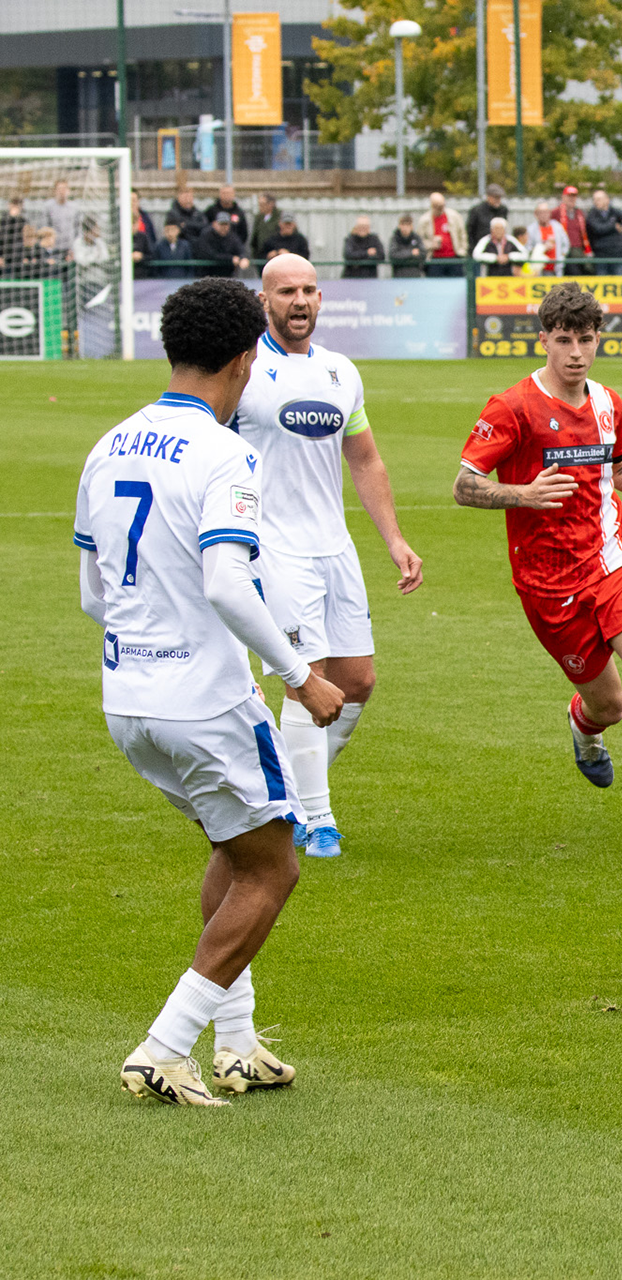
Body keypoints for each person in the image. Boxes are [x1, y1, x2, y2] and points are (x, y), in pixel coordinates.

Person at [75, 276, 345, 1105]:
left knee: (235, 850)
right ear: (244, 360)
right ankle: (163, 1047)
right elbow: (228, 583)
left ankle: (238, 1044)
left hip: (129, 698)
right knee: (273, 869)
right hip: (206, 699)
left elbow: (92, 594)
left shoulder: (109, 444)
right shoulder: (226, 453)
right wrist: (303, 678)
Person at [453, 283, 622, 853]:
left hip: (614, 562)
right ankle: (585, 727)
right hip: (548, 583)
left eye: (585, 339)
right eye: (564, 340)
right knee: (610, 706)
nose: (576, 352)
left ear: (598, 339)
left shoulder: (608, 403)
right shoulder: (512, 407)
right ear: (544, 340)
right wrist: (523, 495)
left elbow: (618, 465)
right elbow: (464, 485)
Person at [234, 254, 423, 858]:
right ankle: (315, 819)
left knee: (358, 681)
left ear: (321, 298)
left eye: (309, 290)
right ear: (264, 300)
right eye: (287, 291)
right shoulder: (242, 369)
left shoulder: (341, 371)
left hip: (334, 546)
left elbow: (365, 460)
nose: (300, 300)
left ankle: (291, 784)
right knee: (306, 679)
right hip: (273, 546)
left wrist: (394, 540)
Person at [584, 188, 622, 275]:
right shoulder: (592, 215)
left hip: (617, 255)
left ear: (607, 200)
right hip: (601, 256)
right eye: (594, 199)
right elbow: (599, 229)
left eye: (598, 199)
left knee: (619, 281)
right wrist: (614, 225)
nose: (596, 202)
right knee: (602, 281)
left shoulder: (614, 211)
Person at [420, 190, 467, 278]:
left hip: (454, 259)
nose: (440, 208)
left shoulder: (454, 216)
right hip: (435, 260)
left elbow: (462, 234)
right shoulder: (424, 220)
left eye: (441, 205)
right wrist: (431, 244)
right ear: (432, 205)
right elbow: (420, 240)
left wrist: (462, 251)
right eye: (437, 206)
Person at [194, 211, 250, 278]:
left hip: (227, 276)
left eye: (226, 224)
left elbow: (241, 249)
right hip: (207, 275)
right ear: (214, 224)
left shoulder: (232, 237)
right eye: (221, 224)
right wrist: (231, 258)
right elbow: (210, 254)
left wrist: (243, 258)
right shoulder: (206, 235)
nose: (224, 227)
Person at [522, 201, 569, 276]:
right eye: (541, 212)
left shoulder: (557, 227)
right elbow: (527, 248)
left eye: (546, 212)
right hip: (539, 270)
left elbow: (566, 244)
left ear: (550, 213)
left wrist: (562, 256)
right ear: (536, 214)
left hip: (557, 268)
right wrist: (542, 247)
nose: (543, 215)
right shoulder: (531, 229)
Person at [557, 184, 592, 275]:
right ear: (563, 197)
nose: (571, 199)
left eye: (574, 196)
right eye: (569, 196)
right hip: (564, 251)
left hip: (579, 250)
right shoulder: (556, 212)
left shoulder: (580, 213)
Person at [466, 183, 510, 255]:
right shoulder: (477, 211)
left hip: (498, 251)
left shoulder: (503, 210)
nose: (498, 200)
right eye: (495, 197)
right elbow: (470, 231)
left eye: (499, 198)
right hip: (480, 250)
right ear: (488, 197)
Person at [42, 178, 81, 256]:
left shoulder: (74, 208)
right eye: (59, 189)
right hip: (54, 247)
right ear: (55, 191)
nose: (62, 191)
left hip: (70, 247)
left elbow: (78, 229)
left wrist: (76, 247)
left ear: (68, 191)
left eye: (64, 188)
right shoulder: (48, 207)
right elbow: (45, 227)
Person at [130, 192, 156, 279]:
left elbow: (151, 254)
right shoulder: (120, 238)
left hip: (142, 276)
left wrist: (141, 256)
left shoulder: (143, 236)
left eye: (134, 200)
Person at [249, 193, 279, 263]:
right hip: (261, 255)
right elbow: (255, 237)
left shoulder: (279, 217)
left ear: (271, 204)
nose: (260, 207)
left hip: (275, 255)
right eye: (259, 204)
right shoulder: (259, 218)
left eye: (263, 204)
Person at [0, 196, 28, 273]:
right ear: (10, 205)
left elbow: (25, 239)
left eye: (18, 205)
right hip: (6, 255)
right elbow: (2, 238)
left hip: (19, 255)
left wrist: (26, 256)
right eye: (14, 205)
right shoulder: (4, 220)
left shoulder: (23, 220)